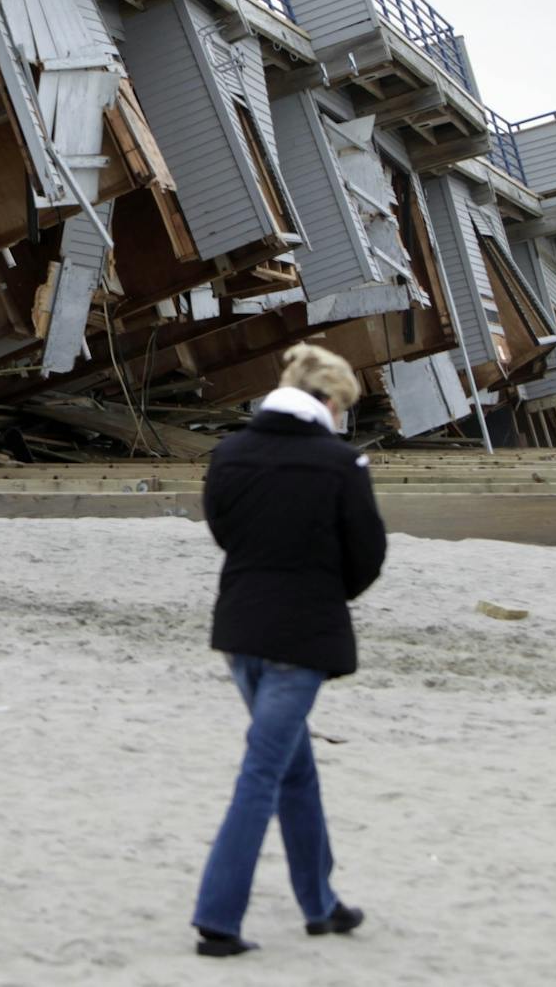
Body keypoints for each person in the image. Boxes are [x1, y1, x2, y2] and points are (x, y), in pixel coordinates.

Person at [190, 343, 387, 958]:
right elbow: (367, 556)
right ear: (327, 401)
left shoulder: (229, 453)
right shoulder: (341, 463)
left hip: (240, 629)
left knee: (293, 768)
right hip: (302, 637)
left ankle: (320, 904)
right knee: (262, 774)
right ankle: (218, 920)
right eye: (341, 407)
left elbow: (222, 528)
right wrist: (326, 591)